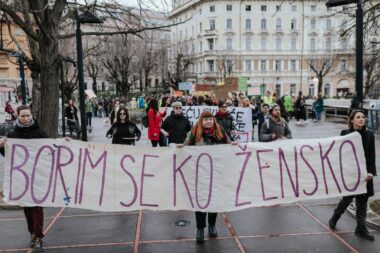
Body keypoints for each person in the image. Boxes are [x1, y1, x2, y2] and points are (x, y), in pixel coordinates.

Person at [179, 111, 234, 243]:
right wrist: (182, 147)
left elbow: (229, 144)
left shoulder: (220, 131)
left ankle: (212, 225)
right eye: (205, 119)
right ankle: (200, 228)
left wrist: (234, 145)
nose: (208, 121)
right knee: (200, 201)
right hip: (200, 175)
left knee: (213, 200)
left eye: (210, 119)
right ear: (201, 121)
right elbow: (186, 145)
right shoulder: (194, 132)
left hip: (216, 173)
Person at [0, 105, 48, 252]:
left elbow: (50, 150)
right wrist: (1, 147)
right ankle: (33, 234)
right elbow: (9, 156)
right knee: (27, 208)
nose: (26, 118)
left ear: (31, 115)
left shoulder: (39, 132)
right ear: (18, 116)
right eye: (23, 116)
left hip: (37, 176)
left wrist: (65, 142)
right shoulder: (13, 134)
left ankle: (39, 236)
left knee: (37, 207)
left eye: (28, 116)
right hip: (21, 177)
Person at [328, 110, 376, 241]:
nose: (362, 119)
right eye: (358, 117)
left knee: (362, 202)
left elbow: (371, 155)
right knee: (347, 200)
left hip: (365, 175)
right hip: (350, 174)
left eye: (363, 117)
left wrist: (371, 172)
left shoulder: (369, 135)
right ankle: (334, 218)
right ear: (351, 120)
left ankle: (361, 229)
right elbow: (340, 154)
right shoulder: (345, 134)